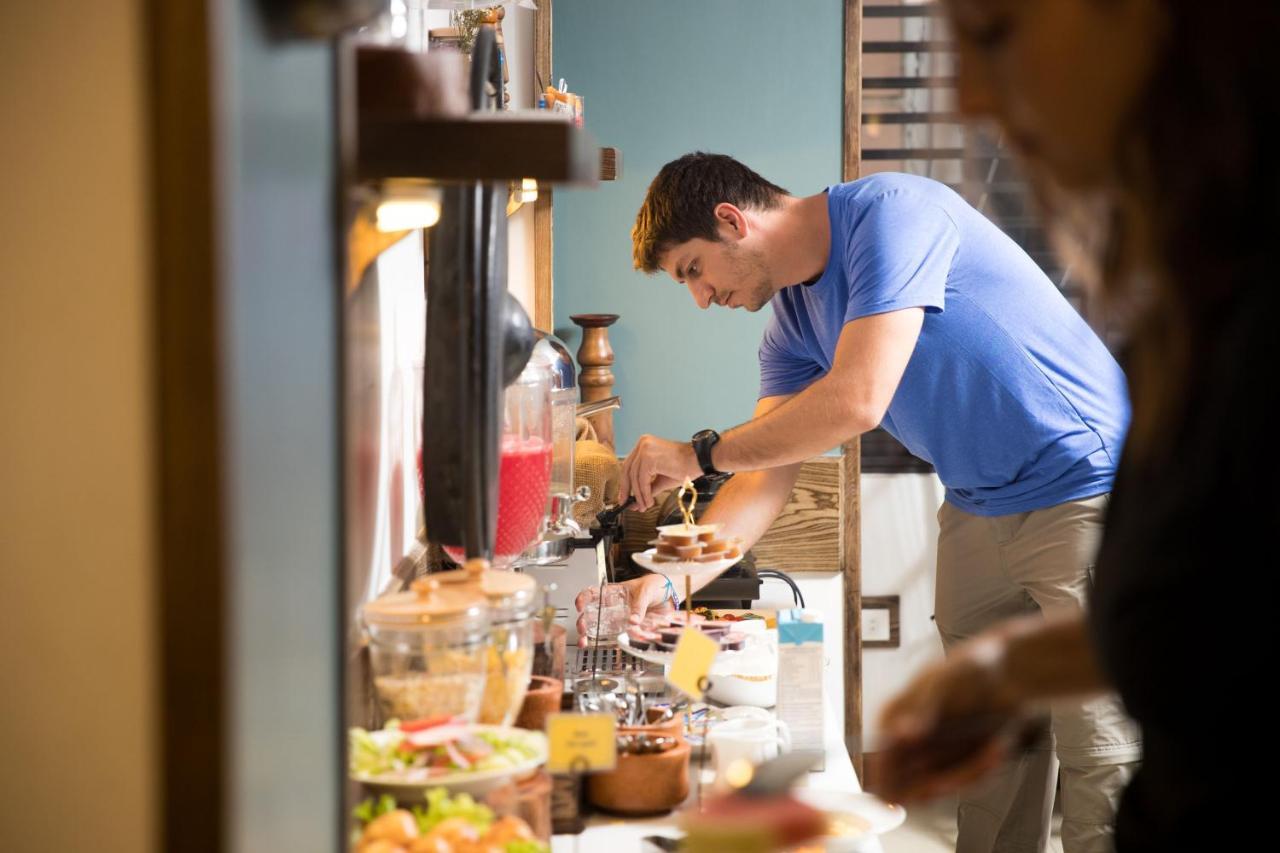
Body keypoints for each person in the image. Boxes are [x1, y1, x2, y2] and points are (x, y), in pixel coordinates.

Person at [581, 150, 1140, 851]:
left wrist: (695, 453)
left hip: (1085, 484)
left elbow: (860, 398)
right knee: (987, 743)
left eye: (694, 269)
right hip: (976, 500)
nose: (700, 296)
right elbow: (766, 479)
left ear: (731, 220)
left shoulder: (892, 216)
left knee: (1102, 746)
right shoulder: (790, 323)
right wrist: (663, 580)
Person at [874, 1, 1279, 851]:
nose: (966, 96)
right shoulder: (1186, 290)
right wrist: (1008, 670)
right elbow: (1212, 623)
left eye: (993, 33)